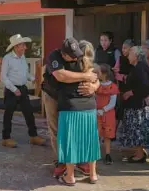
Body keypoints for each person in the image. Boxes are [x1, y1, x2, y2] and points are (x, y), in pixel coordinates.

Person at [41, 37, 99, 177]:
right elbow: (61, 76)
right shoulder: (53, 57)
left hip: (69, 97)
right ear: (64, 55)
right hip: (52, 95)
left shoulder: (78, 54)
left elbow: (95, 74)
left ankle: (78, 160)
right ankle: (61, 160)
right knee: (56, 129)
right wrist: (85, 76)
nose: (75, 59)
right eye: (72, 57)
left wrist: (94, 86)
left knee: (75, 131)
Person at [57, 40, 100, 186]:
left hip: (70, 109)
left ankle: (70, 176)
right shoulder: (91, 68)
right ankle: (93, 174)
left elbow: (59, 77)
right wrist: (94, 85)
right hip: (89, 109)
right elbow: (99, 79)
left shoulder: (67, 67)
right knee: (90, 141)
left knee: (70, 143)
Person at [0, 34, 46, 148]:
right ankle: (6, 138)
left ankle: (33, 136)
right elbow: (3, 77)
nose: (25, 47)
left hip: (23, 89)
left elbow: (25, 74)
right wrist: (14, 89)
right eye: (23, 45)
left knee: (29, 113)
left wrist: (33, 78)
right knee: (8, 115)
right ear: (16, 47)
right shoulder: (7, 58)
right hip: (12, 90)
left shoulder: (23, 57)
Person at [119, 46, 149, 163]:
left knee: (138, 129)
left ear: (136, 56)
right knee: (137, 129)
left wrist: (130, 92)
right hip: (137, 104)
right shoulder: (138, 67)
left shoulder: (140, 68)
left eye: (130, 53)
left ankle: (139, 154)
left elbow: (145, 86)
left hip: (138, 105)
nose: (128, 55)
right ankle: (139, 152)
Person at [96, 64, 119, 165]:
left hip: (108, 114)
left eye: (98, 72)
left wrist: (103, 110)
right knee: (96, 133)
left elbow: (112, 103)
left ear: (104, 73)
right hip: (96, 113)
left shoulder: (112, 86)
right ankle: (95, 154)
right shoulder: (96, 85)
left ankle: (108, 154)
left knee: (107, 135)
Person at [112, 39, 135, 140]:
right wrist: (123, 77)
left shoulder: (135, 60)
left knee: (130, 112)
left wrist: (127, 76)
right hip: (122, 89)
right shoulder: (120, 59)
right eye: (122, 48)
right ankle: (113, 134)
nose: (123, 50)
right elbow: (115, 71)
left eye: (125, 48)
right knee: (119, 112)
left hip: (132, 89)